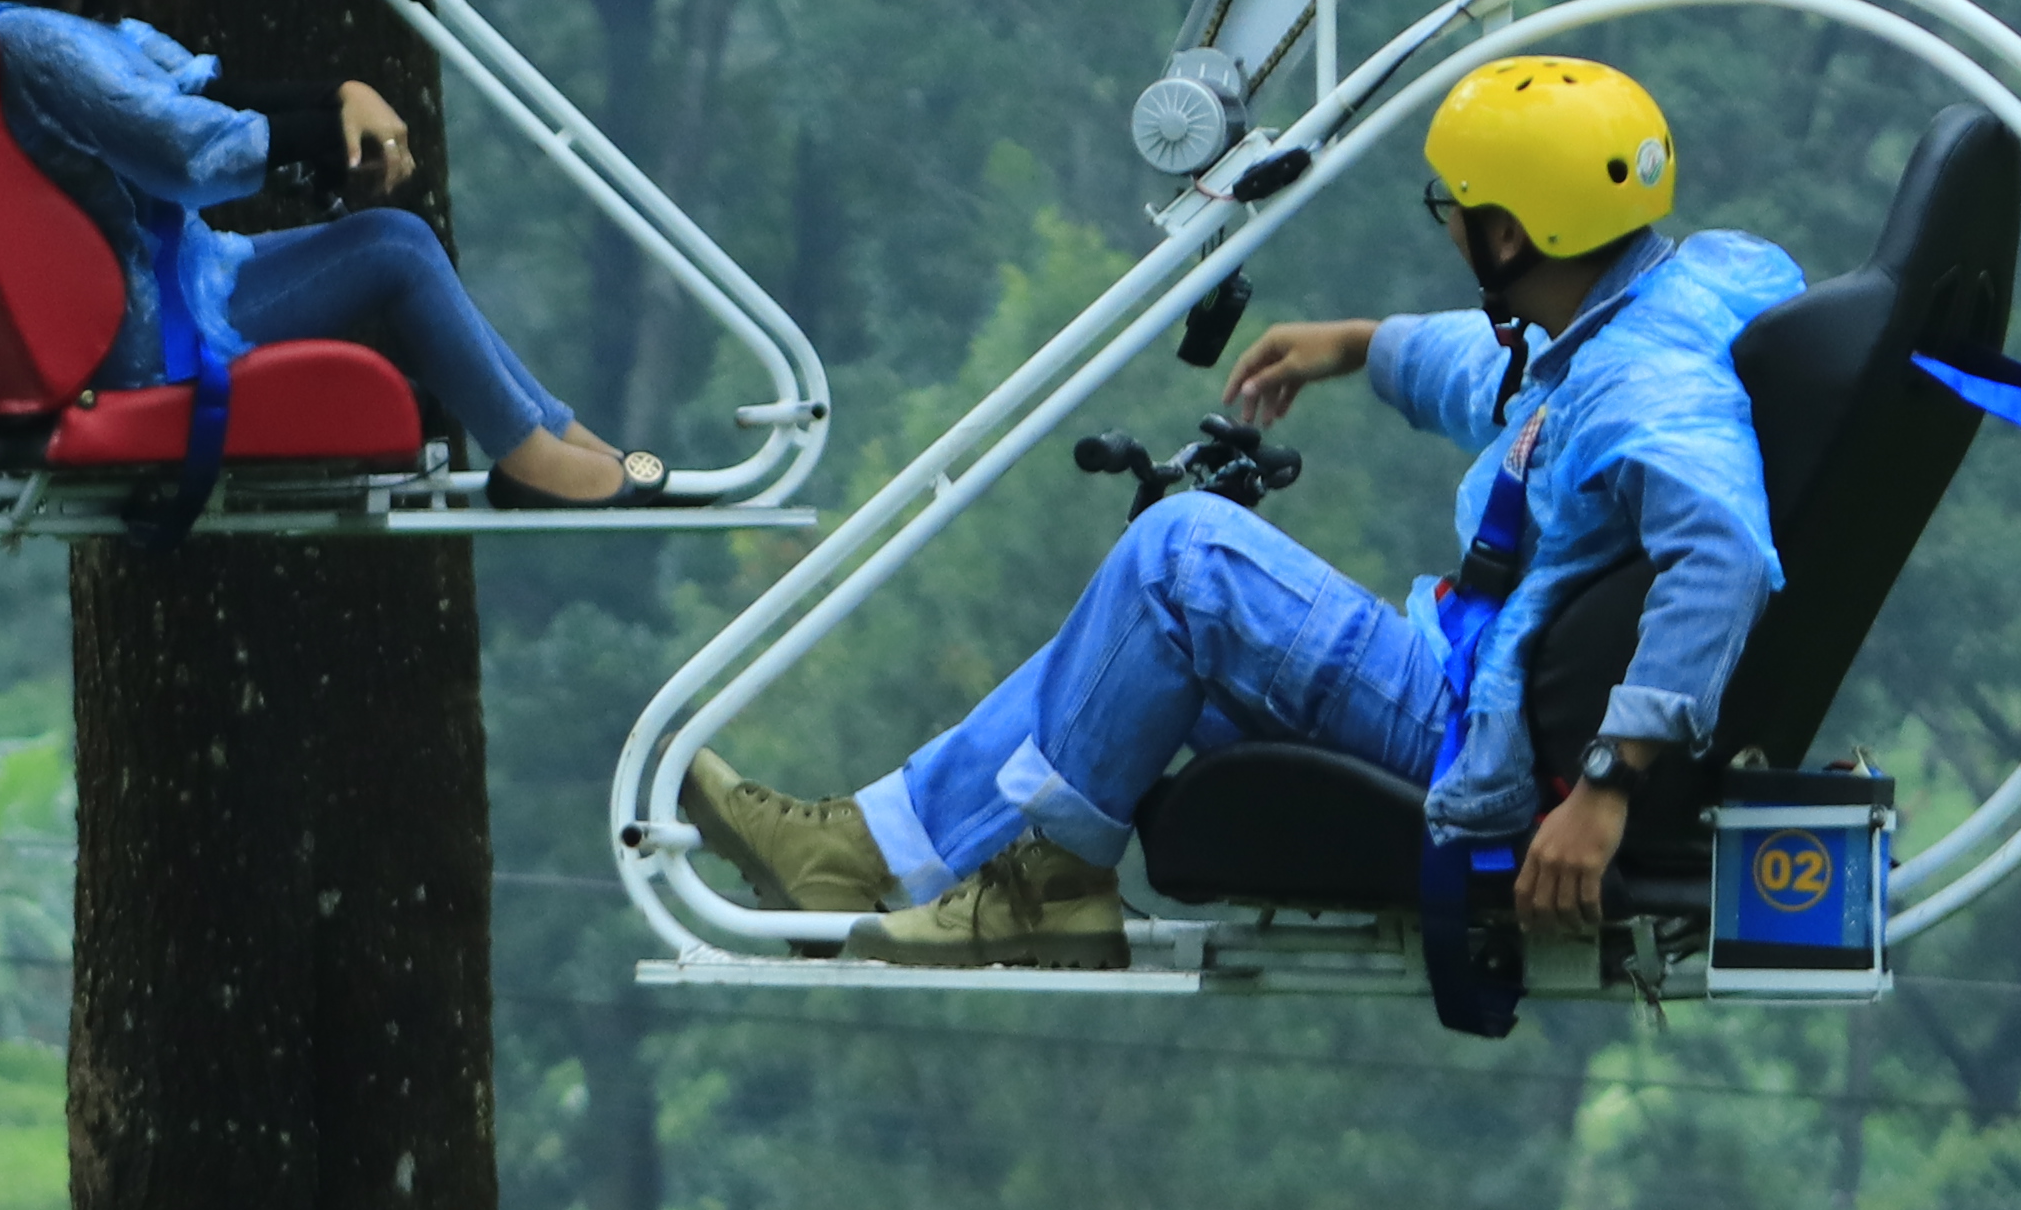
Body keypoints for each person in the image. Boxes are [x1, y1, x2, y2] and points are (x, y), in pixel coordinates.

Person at [681, 55, 1796, 966]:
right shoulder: (1660, 308)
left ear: (1507, 237)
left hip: (1483, 741)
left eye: (1450, 211)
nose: (1445, 229)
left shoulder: (1652, 391)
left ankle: (1053, 892)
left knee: (1183, 556)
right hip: (1479, 675)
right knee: (1125, 643)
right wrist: (1358, 346)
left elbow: (1724, 558)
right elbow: (1524, 380)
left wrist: (1604, 790)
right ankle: (866, 850)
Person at [0, 0, 687, 509]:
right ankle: (532, 458)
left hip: (184, 279)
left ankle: (551, 437)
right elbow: (176, 140)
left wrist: (343, 96)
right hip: (152, 329)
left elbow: (211, 84)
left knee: (398, 241)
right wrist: (324, 136)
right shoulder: (34, 41)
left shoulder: (100, 33)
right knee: (394, 249)